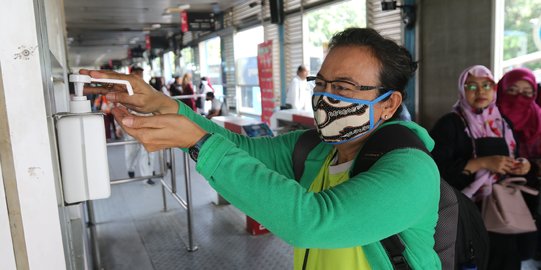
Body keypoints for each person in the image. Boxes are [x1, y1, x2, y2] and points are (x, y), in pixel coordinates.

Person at [81, 27, 440, 269]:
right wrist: (166, 105)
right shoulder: (316, 149)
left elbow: (314, 221)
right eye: (321, 82)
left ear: (389, 104)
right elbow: (238, 148)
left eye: (343, 87)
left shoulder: (410, 170)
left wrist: (195, 140)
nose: (325, 97)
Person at [430, 65, 533, 270]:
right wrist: (483, 163)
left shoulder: (502, 123)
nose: (481, 91)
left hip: (500, 210)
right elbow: (435, 172)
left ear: (494, 90)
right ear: (462, 89)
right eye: (472, 86)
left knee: (504, 260)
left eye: (487, 85)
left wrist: (523, 165)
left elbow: (516, 155)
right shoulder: (449, 124)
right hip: (465, 211)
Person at [496, 68, 541, 268]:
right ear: (501, 90)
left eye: (527, 92)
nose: (520, 98)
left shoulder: (539, 119)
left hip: (532, 198)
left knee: (526, 251)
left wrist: (532, 165)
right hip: (492, 200)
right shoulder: (487, 119)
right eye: (512, 90)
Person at [115, 66, 157, 185]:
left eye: (141, 74)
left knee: (149, 150)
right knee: (131, 151)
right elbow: (119, 109)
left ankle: (147, 175)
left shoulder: (149, 88)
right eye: (137, 74)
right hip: (131, 124)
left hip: (147, 124)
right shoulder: (124, 91)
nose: (140, 77)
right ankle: (130, 168)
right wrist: (118, 126)